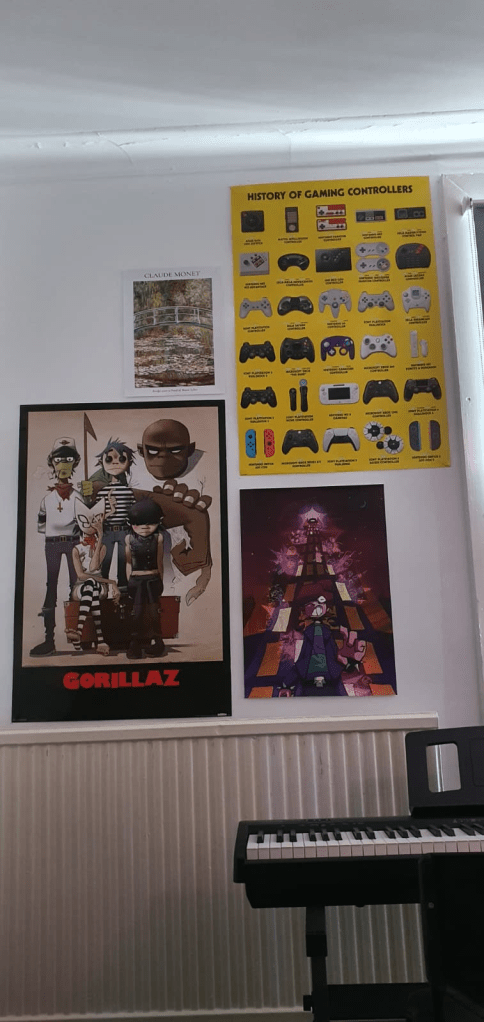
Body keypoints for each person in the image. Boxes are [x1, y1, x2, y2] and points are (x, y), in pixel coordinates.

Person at [30, 437, 83, 656]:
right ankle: (49, 640)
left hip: (73, 543)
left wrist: (89, 499)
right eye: (59, 459)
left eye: (68, 459)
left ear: (75, 462)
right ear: (52, 462)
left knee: (76, 586)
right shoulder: (47, 499)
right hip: (52, 544)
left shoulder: (79, 496)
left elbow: (87, 522)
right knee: (51, 586)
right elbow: (42, 526)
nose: (63, 464)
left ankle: (79, 634)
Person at [66, 497, 121, 655]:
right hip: (79, 588)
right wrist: (111, 582)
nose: (90, 525)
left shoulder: (102, 547)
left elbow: (93, 567)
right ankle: (101, 640)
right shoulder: (76, 549)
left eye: (95, 521)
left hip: (99, 588)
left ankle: (79, 631)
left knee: (92, 586)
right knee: (90, 584)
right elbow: (81, 575)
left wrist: (101, 536)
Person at [86, 438, 136, 591]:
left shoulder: (128, 491)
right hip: (106, 530)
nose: (115, 463)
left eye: (121, 459)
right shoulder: (102, 492)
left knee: (123, 560)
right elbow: (97, 515)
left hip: (123, 530)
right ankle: (103, 588)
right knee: (104, 560)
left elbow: (133, 512)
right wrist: (110, 511)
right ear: (102, 462)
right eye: (109, 459)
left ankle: (123, 588)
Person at [125, 498, 165, 660]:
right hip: (136, 580)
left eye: (150, 523)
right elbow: (128, 562)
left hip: (153, 578)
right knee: (137, 613)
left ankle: (158, 642)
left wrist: (160, 580)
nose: (145, 527)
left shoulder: (158, 538)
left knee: (154, 612)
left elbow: (160, 561)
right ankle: (134, 644)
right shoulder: (129, 539)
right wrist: (129, 581)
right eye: (139, 524)